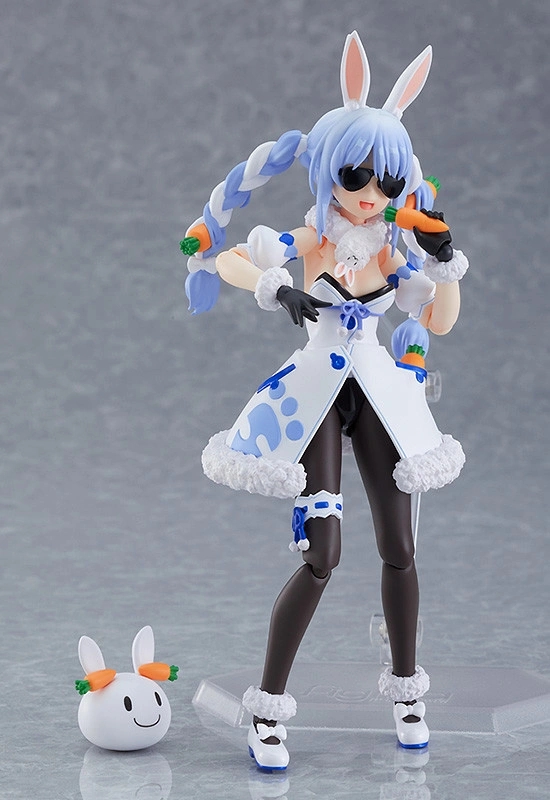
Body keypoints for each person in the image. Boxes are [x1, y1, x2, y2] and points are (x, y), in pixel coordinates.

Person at [182, 31, 468, 770]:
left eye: (385, 181)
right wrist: (276, 288)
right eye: (355, 175)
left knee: (400, 547)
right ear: (329, 170)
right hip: (313, 396)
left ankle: (407, 691)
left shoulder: (393, 252)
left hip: (377, 393)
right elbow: (232, 258)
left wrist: (445, 263)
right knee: (323, 555)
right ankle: (267, 708)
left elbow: (438, 320)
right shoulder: (312, 238)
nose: (369, 193)